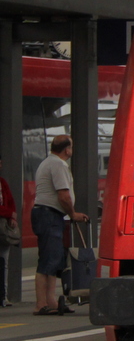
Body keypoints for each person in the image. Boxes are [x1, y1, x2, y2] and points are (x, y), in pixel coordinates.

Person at [32, 135, 87, 315]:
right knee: (48, 259)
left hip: (48, 214)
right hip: (49, 215)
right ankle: (41, 304)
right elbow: (63, 195)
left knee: (53, 258)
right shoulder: (58, 165)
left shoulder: (48, 162)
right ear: (67, 150)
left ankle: (51, 301)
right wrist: (73, 214)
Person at [0, 153, 16, 307]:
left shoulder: (2, 182)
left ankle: (3, 296)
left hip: (3, 228)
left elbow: (10, 200)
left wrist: (12, 216)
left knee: (4, 262)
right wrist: (9, 213)